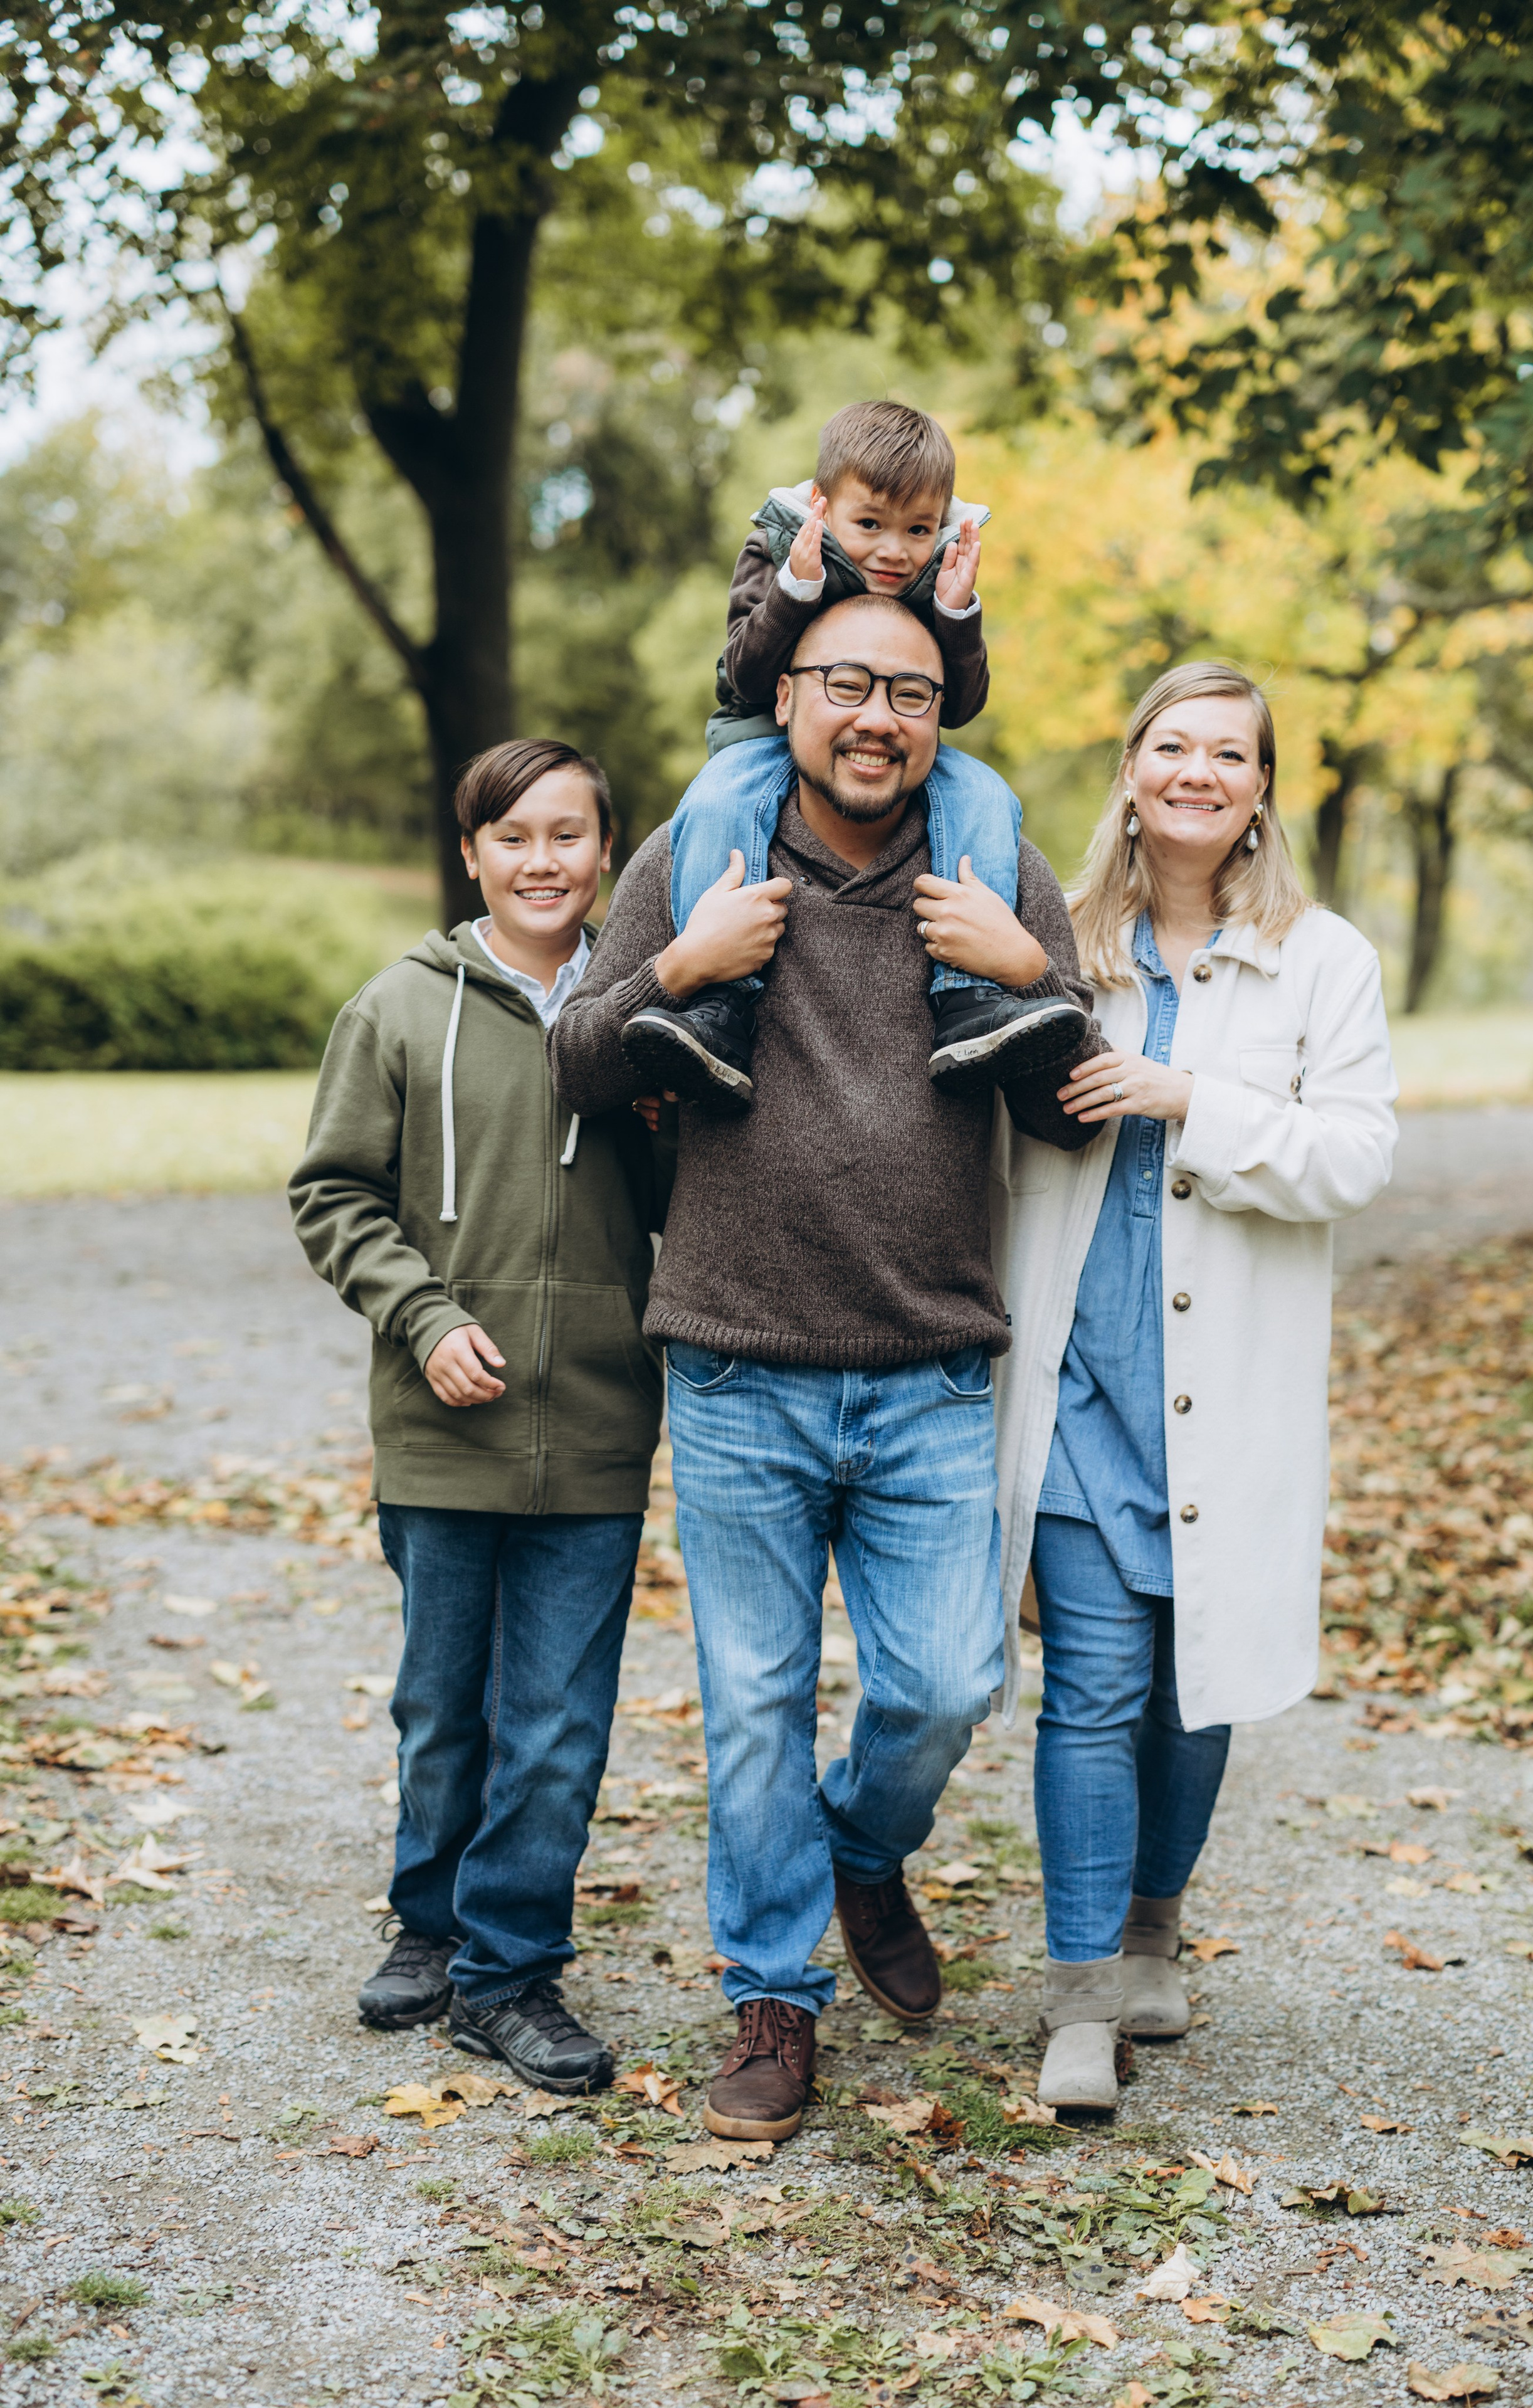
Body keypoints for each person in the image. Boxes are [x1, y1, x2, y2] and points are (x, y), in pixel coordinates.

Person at [551, 592, 1103, 2143]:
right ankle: (775, 1997)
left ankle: (862, 1841)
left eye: (909, 691)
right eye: (846, 683)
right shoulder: (699, 858)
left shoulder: (995, 865)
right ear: (785, 694)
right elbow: (574, 1061)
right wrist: (677, 968)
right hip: (735, 1365)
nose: (877, 715)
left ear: (944, 711)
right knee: (751, 1701)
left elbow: (1073, 1115)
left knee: (945, 1684)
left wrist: (1032, 977)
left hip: (929, 1363)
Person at [988, 661, 1398, 2111]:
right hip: (1079, 1385)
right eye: (1172, 744)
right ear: (1129, 765)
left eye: (1228, 752)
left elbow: (1353, 1155)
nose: (1197, 770)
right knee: (1090, 1687)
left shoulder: (1319, 960)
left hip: (1221, 1393)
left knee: (1193, 1681)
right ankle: (1081, 1998)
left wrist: (1186, 1099)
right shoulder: (1051, 945)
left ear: (1259, 788)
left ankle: (1156, 1918)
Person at [289, 739, 670, 2094]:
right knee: (443, 1704)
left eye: (568, 835)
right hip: (441, 1421)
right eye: (512, 836)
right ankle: (428, 1922)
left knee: (558, 1716)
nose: (542, 860)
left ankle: (508, 1970)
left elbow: (699, 1195)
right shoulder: (397, 1009)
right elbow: (333, 1194)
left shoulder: (652, 1018)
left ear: (606, 850)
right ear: (472, 854)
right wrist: (425, 1316)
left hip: (598, 1425)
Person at [619, 400, 1085, 1112]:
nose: (894, 552)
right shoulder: (777, 548)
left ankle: (970, 1000)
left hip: (901, 749)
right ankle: (717, 1009)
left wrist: (957, 614)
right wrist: (795, 588)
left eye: (917, 530)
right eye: (869, 525)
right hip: (764, 739)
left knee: (988, 793)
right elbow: (742, 676)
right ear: (821, 505)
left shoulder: (938, 570)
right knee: (715, 797)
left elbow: (958, 706)